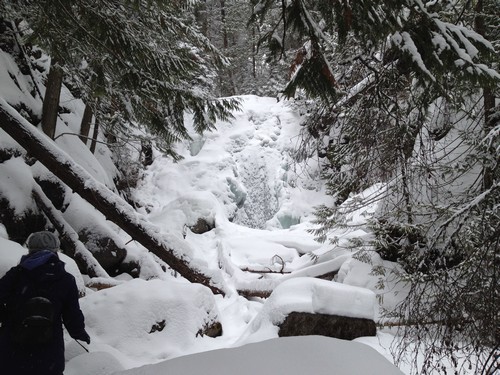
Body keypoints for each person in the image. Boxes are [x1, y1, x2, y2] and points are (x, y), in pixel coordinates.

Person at [0, 231, 90, 375]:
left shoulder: (16, 275)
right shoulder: (66, 279)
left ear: (30, 250)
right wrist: (79, 333)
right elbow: (72, 316)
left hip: (13, 348)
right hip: (49, 352)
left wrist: (6, 318)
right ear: (55, 251)